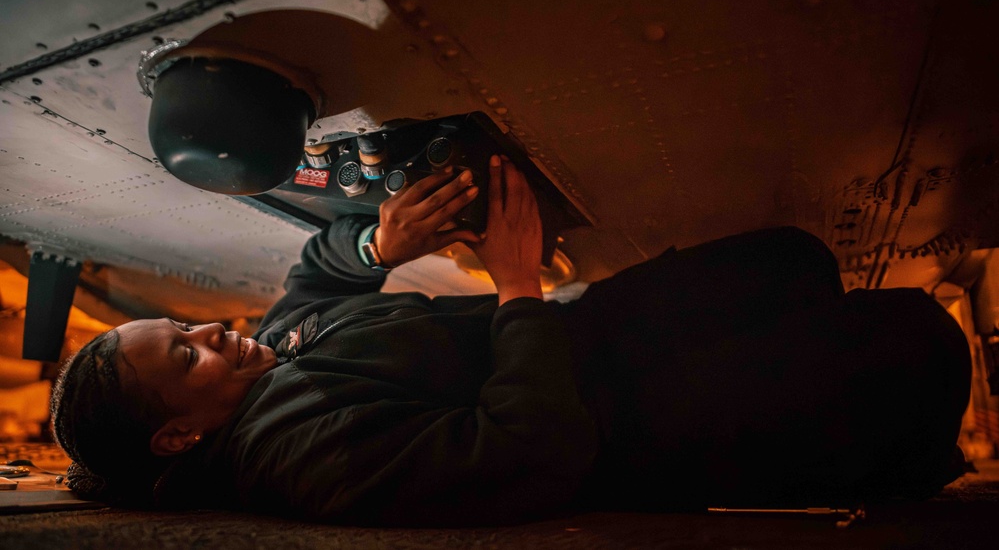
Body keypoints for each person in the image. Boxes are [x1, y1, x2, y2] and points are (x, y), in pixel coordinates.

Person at [50, 155, 971, 526]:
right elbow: (528, 453)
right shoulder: (297, 451)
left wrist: (377, 243)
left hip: (588, 338)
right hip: (630, 421)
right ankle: (908, 472)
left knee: (790, 258)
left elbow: (315, 280)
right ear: (178, 434)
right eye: (185, 355)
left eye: (184, 326)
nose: (212, 331)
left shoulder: (264, 366)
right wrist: (518, 282)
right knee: (915, 344)